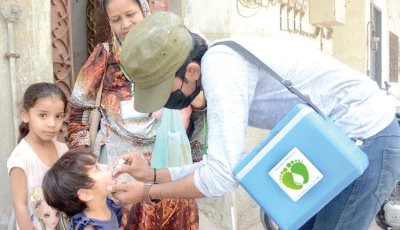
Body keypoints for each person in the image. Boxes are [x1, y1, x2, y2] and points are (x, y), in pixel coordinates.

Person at [107, 12, 400, 230]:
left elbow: (221, 177)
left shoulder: (222, 71)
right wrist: (154, 174)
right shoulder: (217, 62)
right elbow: (221, 166)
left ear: (192, 71)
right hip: (336, 144)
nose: (164, 100)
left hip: (368, 138)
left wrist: (148, 193)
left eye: (163, 88)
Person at [68, 0, 204, 229]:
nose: (125, 24)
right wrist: (86, 165)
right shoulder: (105, 56)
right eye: (116, 19)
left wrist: (196, 163)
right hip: (118, 171)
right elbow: (78, 115)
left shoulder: (172, 52)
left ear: (145, 11)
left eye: (131, 14)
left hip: (169, 169)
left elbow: (199, 111)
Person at [7, 82, 69, 230]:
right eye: (43, 115)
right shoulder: (21, 158)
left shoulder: (63, 150)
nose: (52, 123)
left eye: (58, 116)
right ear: (25, 115)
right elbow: (20, 206)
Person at [42, 147, 122, 230]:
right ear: (86, 194)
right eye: (97, 169)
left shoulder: (109, 205)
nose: (105, 166)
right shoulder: (87, 226)